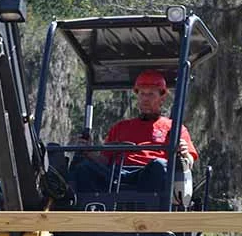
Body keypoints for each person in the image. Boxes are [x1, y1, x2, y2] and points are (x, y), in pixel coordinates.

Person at [69, 69, 198, 196]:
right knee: (83, 169)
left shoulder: (174, 128)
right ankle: (91, 211)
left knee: (160, 166)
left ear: (162, 98)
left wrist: (185, 153)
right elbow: (105, 160)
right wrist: (90, 152)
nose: (145, 99)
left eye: (151, 94)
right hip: (118, 173)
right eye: (142, 94)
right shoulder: (121, 127)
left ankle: (148, 209)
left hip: (149, 175)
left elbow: (189, 161)